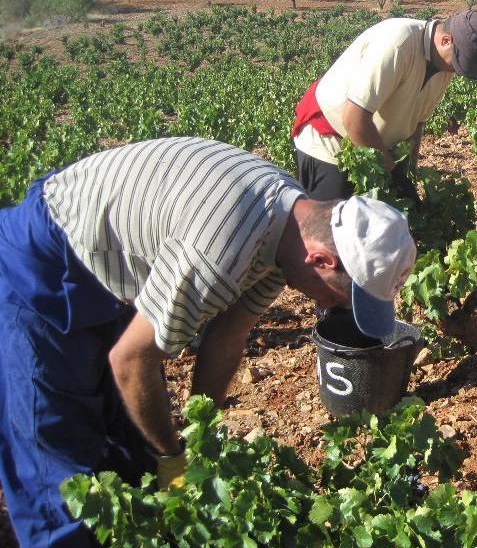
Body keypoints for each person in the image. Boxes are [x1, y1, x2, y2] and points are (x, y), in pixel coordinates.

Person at [0, 137, 416, 547]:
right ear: (322, 260)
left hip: (109, 269)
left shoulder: (289, 232)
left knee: (127, 443)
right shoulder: (219, 250)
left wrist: (200, 440)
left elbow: (226, 340)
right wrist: (172, 456)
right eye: (339, 298)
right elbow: (131, 361)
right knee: (57, 467)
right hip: (45, 263)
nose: (327, 306)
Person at [291, 9, 477, 202]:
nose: (455, 72)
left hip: (372, 153)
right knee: (332, 225)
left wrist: (408, 175)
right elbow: (354, 119)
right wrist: (393, 175)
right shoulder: (398, 43)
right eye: (457, 64)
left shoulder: (446, 64)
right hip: (330, 143)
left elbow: (416, 123)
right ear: (446, 40)